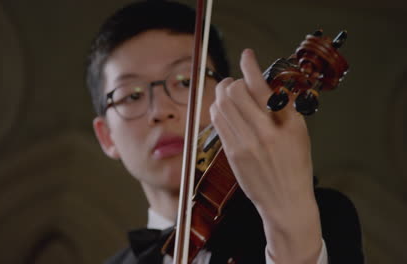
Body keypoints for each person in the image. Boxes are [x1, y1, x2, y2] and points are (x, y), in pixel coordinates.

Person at [86, 1, 364, 263]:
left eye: (185, 81)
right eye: (131, 96)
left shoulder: (321, 219)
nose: (161, 110)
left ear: (223, 98)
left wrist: (289, 223)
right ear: (107, 136)